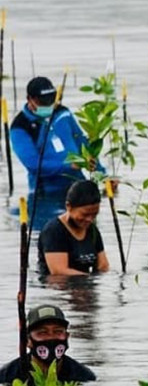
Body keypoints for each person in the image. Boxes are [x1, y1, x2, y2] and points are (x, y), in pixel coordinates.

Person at [11, 76, 103, 205]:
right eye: (42, 102)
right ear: (29, 99)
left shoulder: (62, 113)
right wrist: (68, 166)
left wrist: (102, 174)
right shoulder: (20, 127)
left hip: (77, 186)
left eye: (50, 100)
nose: (48, 105)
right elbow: (33, 164)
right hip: (47, 194)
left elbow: (81, 142)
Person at [0, 304, 96, 384]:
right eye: (42, 333)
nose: (51, 337)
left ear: (67, 336)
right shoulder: (6, 376)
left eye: (57, 332)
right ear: (28, 340)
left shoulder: (83, 376)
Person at [38, 179, 109, 277]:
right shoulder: (54, 231)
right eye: (85, 214)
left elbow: (103, 266)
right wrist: (89, 279)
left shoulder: (92, 230)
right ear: (68, 206)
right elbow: (59, 272)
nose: (89, 219)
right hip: (59, 289)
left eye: (94, 215)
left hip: (86, 285)